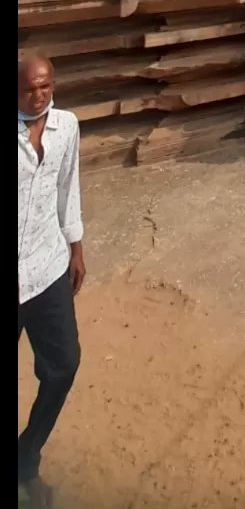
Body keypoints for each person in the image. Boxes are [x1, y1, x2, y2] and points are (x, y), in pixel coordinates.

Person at [18, 54, 85, 507]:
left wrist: (76, 245)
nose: (39, 95)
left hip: (47, 269)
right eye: (29, 89)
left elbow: (68, 186)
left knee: (63, 367)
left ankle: (25, 460)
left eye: (46, 86)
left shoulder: (67, 126)